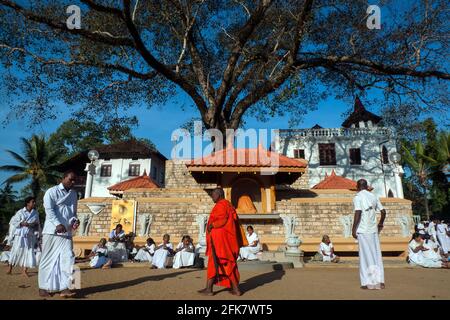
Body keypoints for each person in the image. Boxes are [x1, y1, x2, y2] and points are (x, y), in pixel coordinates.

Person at [38, 170, 80, 298]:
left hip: (66, 233)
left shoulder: (74, 194)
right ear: (63, 178)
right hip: (52, 231)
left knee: (68, 259)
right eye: (70, 179)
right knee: (47, 260)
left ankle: (65, 287)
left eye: (74, 180)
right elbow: (49, 210)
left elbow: (73, 213)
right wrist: (57, 224)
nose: (72, 182)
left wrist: (74, 221)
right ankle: (43, 288)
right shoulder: (52, 191)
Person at [198, 188, 245, 296]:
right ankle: (233, 289)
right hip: (225, 239)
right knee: (225, 263)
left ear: (219, 194)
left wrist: (212, 225)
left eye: (213, 194)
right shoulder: (228, 205)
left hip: (219, 240)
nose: (212, 197)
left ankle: (210, 290)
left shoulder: (221, 205)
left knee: (220, 263)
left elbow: (222, 219)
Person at [352, 179, 386, 290]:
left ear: (358, 186)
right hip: (373, 230)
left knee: (365, 256)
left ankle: (368, 282)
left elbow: (358, 212)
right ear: (367, 186)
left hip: (363, 230)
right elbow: (383, 211)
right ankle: (380, 281)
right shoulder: (374, 196)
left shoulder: (358, 197)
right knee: (376, 255)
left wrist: (353, 229)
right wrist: (380, 223)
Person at [7, 197, 40, 276]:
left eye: (34, 202)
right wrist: (22, 223)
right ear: (28, 203)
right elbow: (13, 221)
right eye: (33, 202)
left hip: (29, 234)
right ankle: (10, 269)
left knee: (28, 252)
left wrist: (34, 227)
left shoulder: (35, 213)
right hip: (20, 235)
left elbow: (37, 224)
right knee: (16, 250)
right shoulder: (20, 212)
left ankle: (24, 271)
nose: (34, 203)